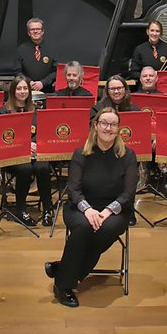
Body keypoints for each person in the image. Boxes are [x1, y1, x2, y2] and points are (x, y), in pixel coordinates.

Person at [44, 107, 137, 308]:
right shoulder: (81, 153)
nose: (108, 128)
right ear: (95, 126)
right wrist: (88, 210)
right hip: (80, 207)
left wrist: (106, 211)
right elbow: (74, 190)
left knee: (107, 228)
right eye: (104, 123)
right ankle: (66, 285)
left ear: (118, 129)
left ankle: (63, 274)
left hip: (114, 210)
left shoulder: (128, 156)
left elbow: (128, 193)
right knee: (85, 227)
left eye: (113, 124)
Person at [0, 74, 53, 226]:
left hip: (34, 153)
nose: (22, 91)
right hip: (12, 155)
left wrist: (34, 144)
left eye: (25, 88)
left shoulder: (34, 110)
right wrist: (25, 146)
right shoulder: (4, 111)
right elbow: (3, 137)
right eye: (19, 88)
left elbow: (42, 132)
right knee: (25, 169)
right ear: (13, 91)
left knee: (43, 167)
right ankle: (21, 210)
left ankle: (48, 209)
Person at [17, 17, 55, 93]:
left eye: (38, 29)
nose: (35, 31)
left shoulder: (52, 49)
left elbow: (57, 71)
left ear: (43, 31)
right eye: (32, 29)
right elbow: (17, 71)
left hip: (48, 91)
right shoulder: (21, 49)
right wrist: (29, 82)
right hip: (26, 91)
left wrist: (42, 83)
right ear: (28, 33)